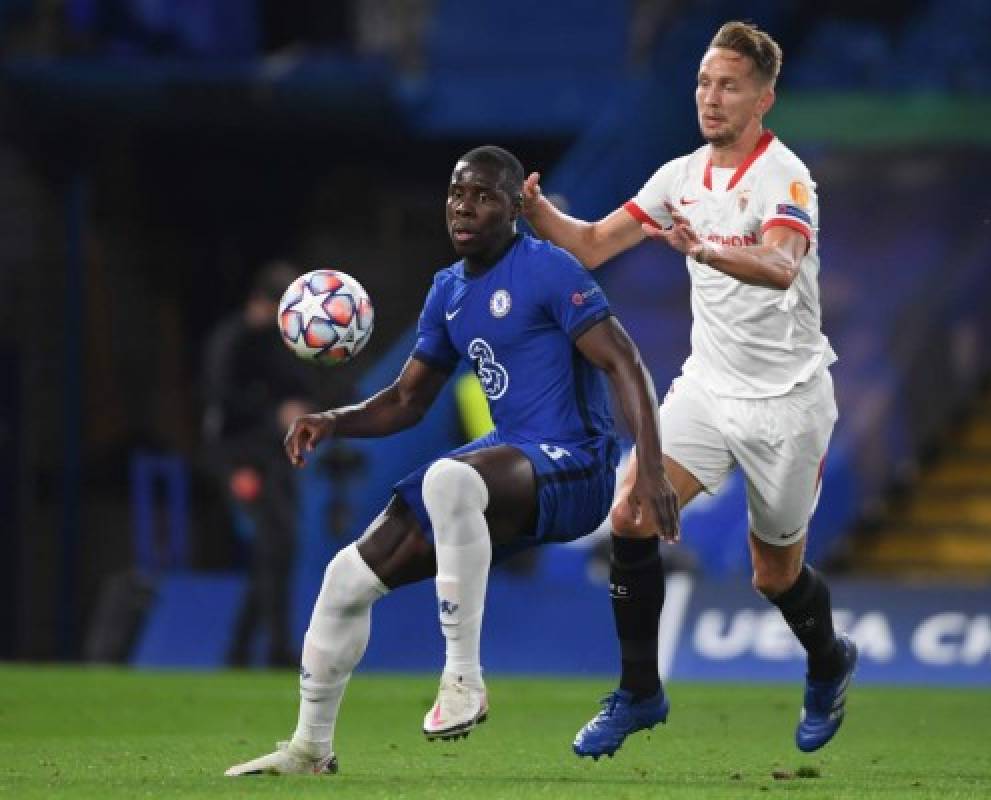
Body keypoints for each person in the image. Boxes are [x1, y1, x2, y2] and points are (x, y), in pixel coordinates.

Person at [225, 145, 678, 776]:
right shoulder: (448, 292)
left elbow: (623, 362)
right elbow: (408, 401)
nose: (464, 208)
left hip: (577, 466)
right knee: (344, 579)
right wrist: (333, 421)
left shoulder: (550, 268)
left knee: (450, 477)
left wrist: (650, 469)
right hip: (507, 468)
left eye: (484, 196)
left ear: (517, 207)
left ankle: (463, 679)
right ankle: (308, 747)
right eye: (456, 195)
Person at [522, 21, 856, 757]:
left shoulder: (786, 177)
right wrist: (534, 210)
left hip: (788, 404)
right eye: (704, 81)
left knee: (775, 575)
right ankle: (640, 692)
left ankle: (829, 661)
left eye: (729, 84)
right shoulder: (679, 177)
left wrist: (704, 249)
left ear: (764, 97)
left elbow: (780, 265)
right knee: (630, 516)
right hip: (707, 388)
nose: (710, 96)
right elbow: (593, 243)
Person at [202, 261, 315, 668]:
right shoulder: (231, 340)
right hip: (239, 457)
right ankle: (277, 648)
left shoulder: (277, 343)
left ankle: (241, 650)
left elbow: (298, 390)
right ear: (262, 301)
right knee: (274, 540)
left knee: (278, 545)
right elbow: (222, 400)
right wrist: (273, 415)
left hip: (273, 454)